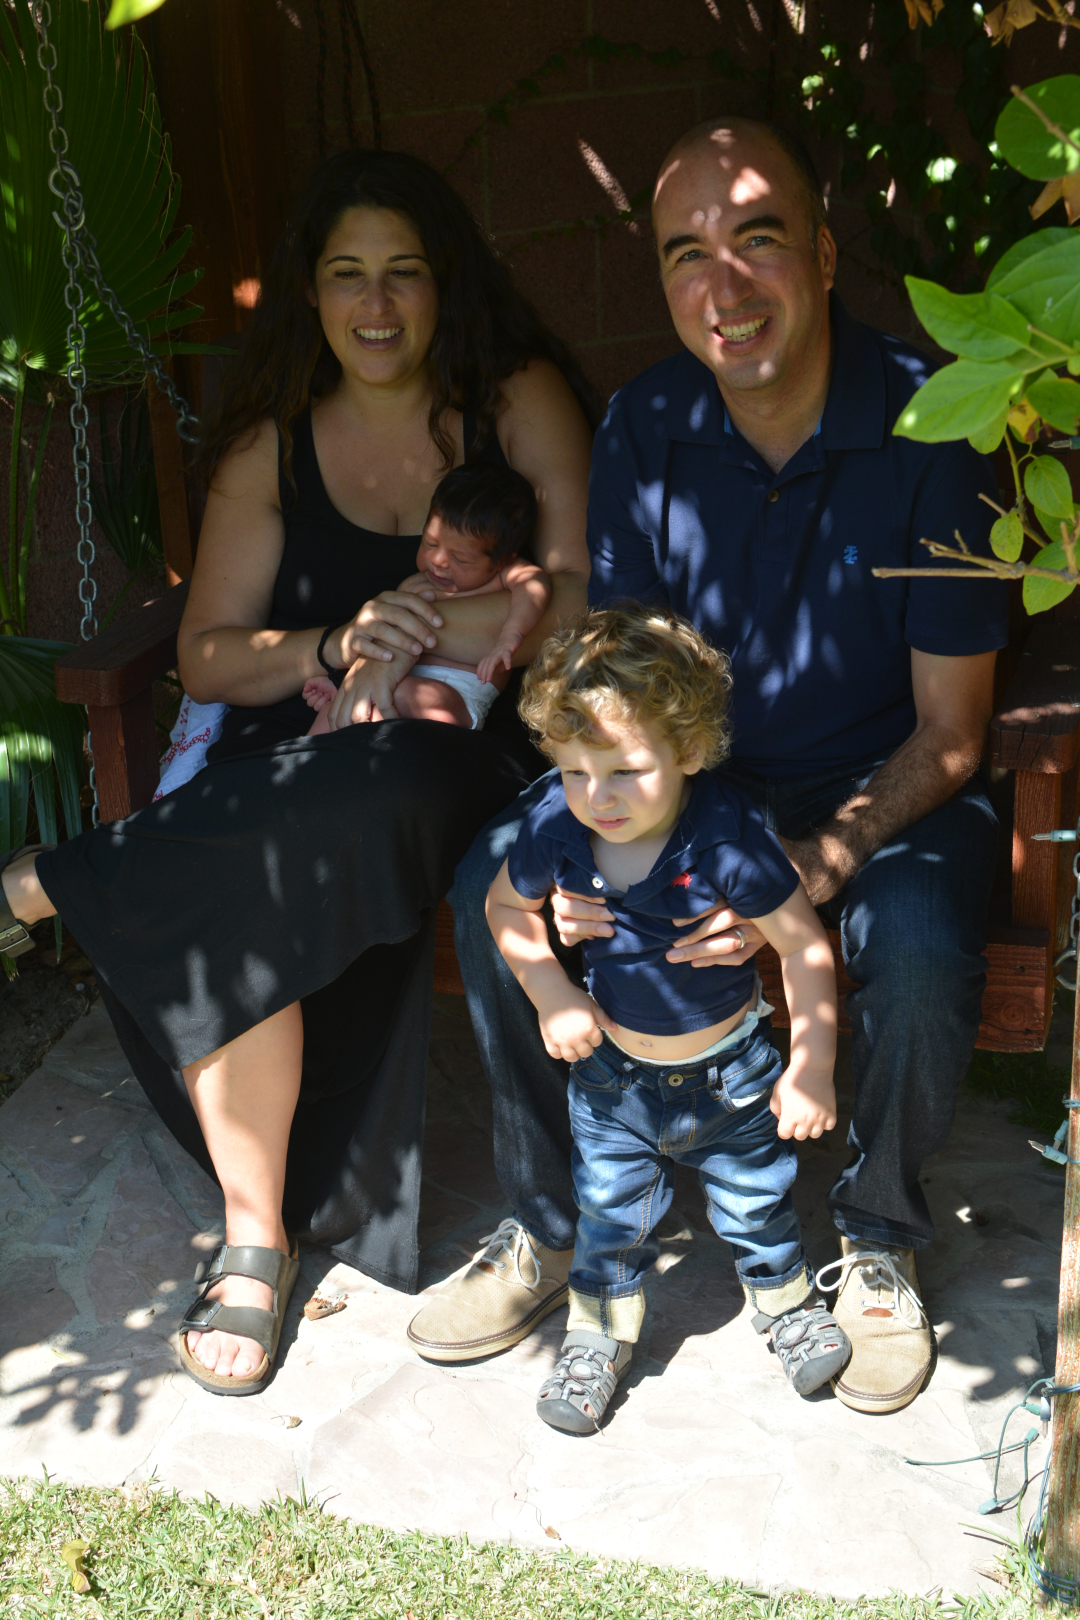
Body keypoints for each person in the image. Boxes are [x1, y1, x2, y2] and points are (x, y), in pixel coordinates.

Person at [414, 115, 1008, 1418]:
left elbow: (954, 732)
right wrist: (604, 852)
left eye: (757, 238)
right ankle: (552, 1224)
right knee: (489, 888)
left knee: (913, 943)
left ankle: (880, 1242)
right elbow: (623, 694)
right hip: (690, 783)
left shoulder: (938, 424)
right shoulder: (647, 427)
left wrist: (824, 857)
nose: (723, 285)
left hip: (883, 785)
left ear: (825, 254)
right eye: (687, 253)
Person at [0, 148, 596, 1395]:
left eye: (403, 272)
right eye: (345, 275)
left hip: (458, 747)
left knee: (354, 788)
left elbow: (574, 598)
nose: (375, 305)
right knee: (255, 849)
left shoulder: (513, 401)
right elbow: (210, 656)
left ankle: (62, 878)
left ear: (445, 283)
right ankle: (255, 1235)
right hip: (292, 753)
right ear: (309, 293)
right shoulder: (270, 449)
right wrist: (336, 640)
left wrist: (437, 635)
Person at [486, 606, 851, 1433]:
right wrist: (551, 991)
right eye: (574, 772)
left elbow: (804, 946)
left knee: (757, 1202)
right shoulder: (557, 824)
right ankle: (595, 1340)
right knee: (610, 1217)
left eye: (625, 769)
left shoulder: (725, 838)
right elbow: (504, 906)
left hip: (730, 1076)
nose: (598, 797)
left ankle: (787, 1308)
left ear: (687, 751)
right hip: (613, 1079)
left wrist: (811, 1065)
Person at [303, 462, 550, 733]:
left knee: (391, 696)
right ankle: (308, 753)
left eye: (459, 558)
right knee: (341, 705)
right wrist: (344, 679)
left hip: (456, 697)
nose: (439, 560)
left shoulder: (501, 575)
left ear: (502, 559)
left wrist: (511, 634)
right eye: (430, 543)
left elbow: (534, 584)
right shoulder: (413, 585)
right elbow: (381, 643)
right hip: (400, 681)